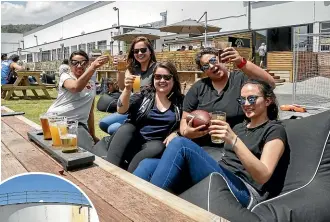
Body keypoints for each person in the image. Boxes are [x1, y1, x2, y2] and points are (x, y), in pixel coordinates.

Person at [134, 79, 289, 209]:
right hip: (222, 174)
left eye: (252, 99)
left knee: (181, 144)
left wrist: (234, 140)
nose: (246, 104)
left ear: (268, 101)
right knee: (148, 164)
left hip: (245, 190)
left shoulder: (274, 130)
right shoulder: (239, 127)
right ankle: (128, 202)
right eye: (242, 100)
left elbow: (263, 175)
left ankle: (150, 209)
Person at [175, 47, 275, 160]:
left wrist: (241, 62)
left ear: (221, 59)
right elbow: (184, 118)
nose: (212, 67)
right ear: (204, 71)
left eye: (213, 61)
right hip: (203, 146)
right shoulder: (199, 87)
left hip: (234, 147)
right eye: (206, 66)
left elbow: (270, 84)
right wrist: (187, 132)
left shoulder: (240, 80)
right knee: (176, 147)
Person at [106, 62, 183, 172]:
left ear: (174, 79)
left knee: (157, 146)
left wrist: (176, 132)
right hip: (133, 140)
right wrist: (127, 90)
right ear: (153, 79)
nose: (162, 80)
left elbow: (186, 122)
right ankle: (108, 171)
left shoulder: (180, 102)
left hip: (154, 146)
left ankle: (130, 176)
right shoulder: (144, 94)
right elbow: (121, 110)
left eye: (167, 77)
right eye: (158, 77)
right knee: (127, 128)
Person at [47, 50, 109, 151]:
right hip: (58, 120)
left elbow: (90, 112)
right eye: (75, 63)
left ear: (87, 63)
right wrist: (93, 67)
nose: (79, 66)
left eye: (83, 62)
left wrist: (92, 135)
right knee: (79, 151)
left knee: (89, 149)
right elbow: (75, 87)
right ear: (70, 64)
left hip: (78, 124)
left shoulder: (92, 84)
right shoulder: (66, 77)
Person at [99, 36, 157, 135]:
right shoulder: (134, 69)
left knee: (112, 129)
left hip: (148, 111)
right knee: (103, 123)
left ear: (150, 51)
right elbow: (122, 87)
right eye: (136, 51)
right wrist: (120, 70)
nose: (139, 53)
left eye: (143, 50)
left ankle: (131, 138)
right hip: (134, 108)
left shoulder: (157, 69)